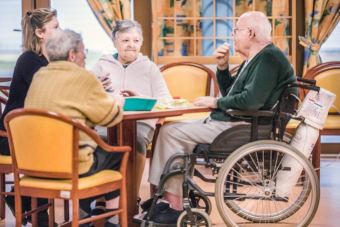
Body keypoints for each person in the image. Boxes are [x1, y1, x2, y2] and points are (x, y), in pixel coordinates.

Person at [134, 11, 298, 225]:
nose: (233, 35)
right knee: (174, 129)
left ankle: (172, 204)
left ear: (250, 33)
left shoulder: (268, 58)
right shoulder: (255, 58)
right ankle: (170, 198)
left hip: (242, 125)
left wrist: (214, 102)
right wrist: (222, 67)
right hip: (235, 121)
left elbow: (250, 102)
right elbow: (232, 94)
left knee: (170, 132)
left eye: (236, 30)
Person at [24, 29, 125, 227]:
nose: (85, 55)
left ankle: (85, 218)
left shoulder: (39, 76)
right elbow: (109, 118)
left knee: (87, 149)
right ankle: (112, 221)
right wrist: (118, 102)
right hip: (69, 166)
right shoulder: (82, 77)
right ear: (72, 54)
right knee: (116, 153)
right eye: (82, 50)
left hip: (34, 165)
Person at [91, 19, 171, 214]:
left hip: (141, 124)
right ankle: (101, 199)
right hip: (107, 121)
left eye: (136, 40)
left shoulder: (149, 67)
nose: (131, 45)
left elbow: (166, 101)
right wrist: (97, 90)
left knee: (135, 141)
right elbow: (86, 97)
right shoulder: (101, 65)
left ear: (141, 43)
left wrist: (140, 97)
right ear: (115, 43)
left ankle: (131, 198)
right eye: (125, 40)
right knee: (99, 141)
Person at [0, 8, 59, 226]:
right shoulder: (29, 60)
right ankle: (38, 215)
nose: (60, 32)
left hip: (33, 135)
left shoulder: (50, 60)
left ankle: (21, 197)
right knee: (53, 148)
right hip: (11, 138)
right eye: (55, 27)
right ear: (40, 33)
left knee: (58, 144)